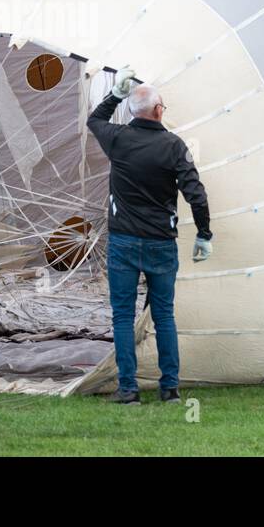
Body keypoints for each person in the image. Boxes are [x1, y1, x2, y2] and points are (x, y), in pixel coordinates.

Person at [86, 66, 212, 405]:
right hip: (160, 243)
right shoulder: (174, 146)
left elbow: (94, 120)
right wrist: (204, 233)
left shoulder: (117, 139)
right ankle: (169, 388)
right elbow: (195, 193)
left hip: (124, 242)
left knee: (123, 316)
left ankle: (128, 390)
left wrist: (115, 94)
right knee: (164, 315)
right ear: (158, 111)